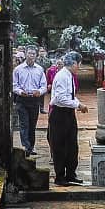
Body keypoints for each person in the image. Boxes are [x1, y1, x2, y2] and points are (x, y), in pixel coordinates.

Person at [48, 53, 88, 186]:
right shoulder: (61, 76)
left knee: (72, 145)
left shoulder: (70, 76)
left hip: (69, 113)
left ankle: (71, 173)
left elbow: (70, 96)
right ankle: (60, 176)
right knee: (59, 145)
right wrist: (78, 105)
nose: (79, 67)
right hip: (59, 113)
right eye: (79, 64)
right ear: (74, 63)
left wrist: (78, 104)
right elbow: (60, 99)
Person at [12, 48, 47, 157]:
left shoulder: (40, 69)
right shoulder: (18, 69)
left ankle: (31, 146)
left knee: (32, 124)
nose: (31, 55)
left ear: (36, 56)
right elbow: (14, 85)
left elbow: (44, 85)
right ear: (25, 55)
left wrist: (39, 92)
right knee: (24, 124)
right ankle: (26, 146)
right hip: (22, 99)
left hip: (34, 99)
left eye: (33, 54)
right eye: (29, 53)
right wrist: (20, 92)